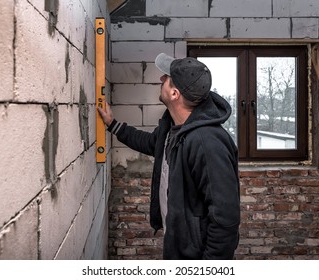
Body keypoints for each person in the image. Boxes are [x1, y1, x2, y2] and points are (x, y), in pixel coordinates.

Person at [98, 53, 240, 259]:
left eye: (167, 78)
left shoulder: (207, 142)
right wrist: (113, 125)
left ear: (174, 93)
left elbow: (225, 218)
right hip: (178, 243)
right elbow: (151, 144)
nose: (161, 79)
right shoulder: (174, 127)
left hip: (197, 256)